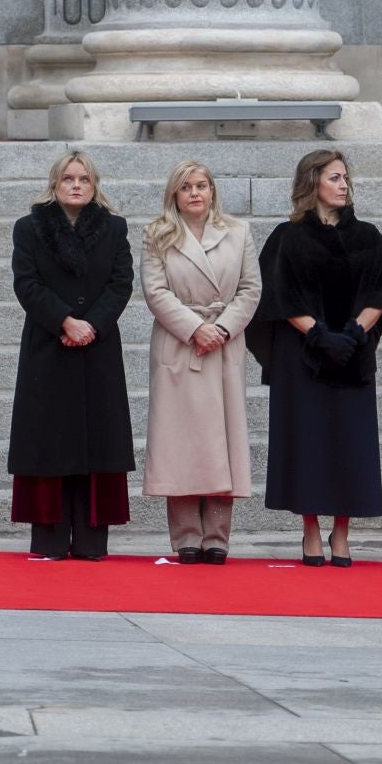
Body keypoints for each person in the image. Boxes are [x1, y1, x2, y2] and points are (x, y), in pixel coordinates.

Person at [250, 150, 382, 567]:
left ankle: (342, 532)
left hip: (353, 357)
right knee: (309, 444)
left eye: (345, 178)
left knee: (348, 446)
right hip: (302, 360)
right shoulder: (287, 236)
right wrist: (318, 334)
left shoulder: (369, 237)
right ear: (312, 182)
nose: (343, 185)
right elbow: (278, 295)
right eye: (334, 177)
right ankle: (311, 531)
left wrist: (353, 333)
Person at [7, 150, 135, 561]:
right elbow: (26, 284)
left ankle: (91, 540)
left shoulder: (114, 228)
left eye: (83, 179)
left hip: (97, 348)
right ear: (55, 184)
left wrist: (91, 325)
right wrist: (65, 321)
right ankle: (49, 538)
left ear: (94, 185)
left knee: (96, 442)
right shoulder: (29, 228)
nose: (76, 185)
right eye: (68, 179)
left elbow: (121, 283)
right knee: (50, 442)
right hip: (49, 346)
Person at [140, 159, 260, 565]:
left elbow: (250, 289)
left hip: (224, 346)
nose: (195, 193)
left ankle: (218, 537)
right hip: (179, 347)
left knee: (221, 441)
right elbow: (155, 293)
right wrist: (194, 328)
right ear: (174, 193)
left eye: (202, 185)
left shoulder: (238, 232)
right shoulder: (157, 235)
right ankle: (187, 535)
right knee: (181, 442)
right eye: (186, 186)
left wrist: (222, 329)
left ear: (213, 191)